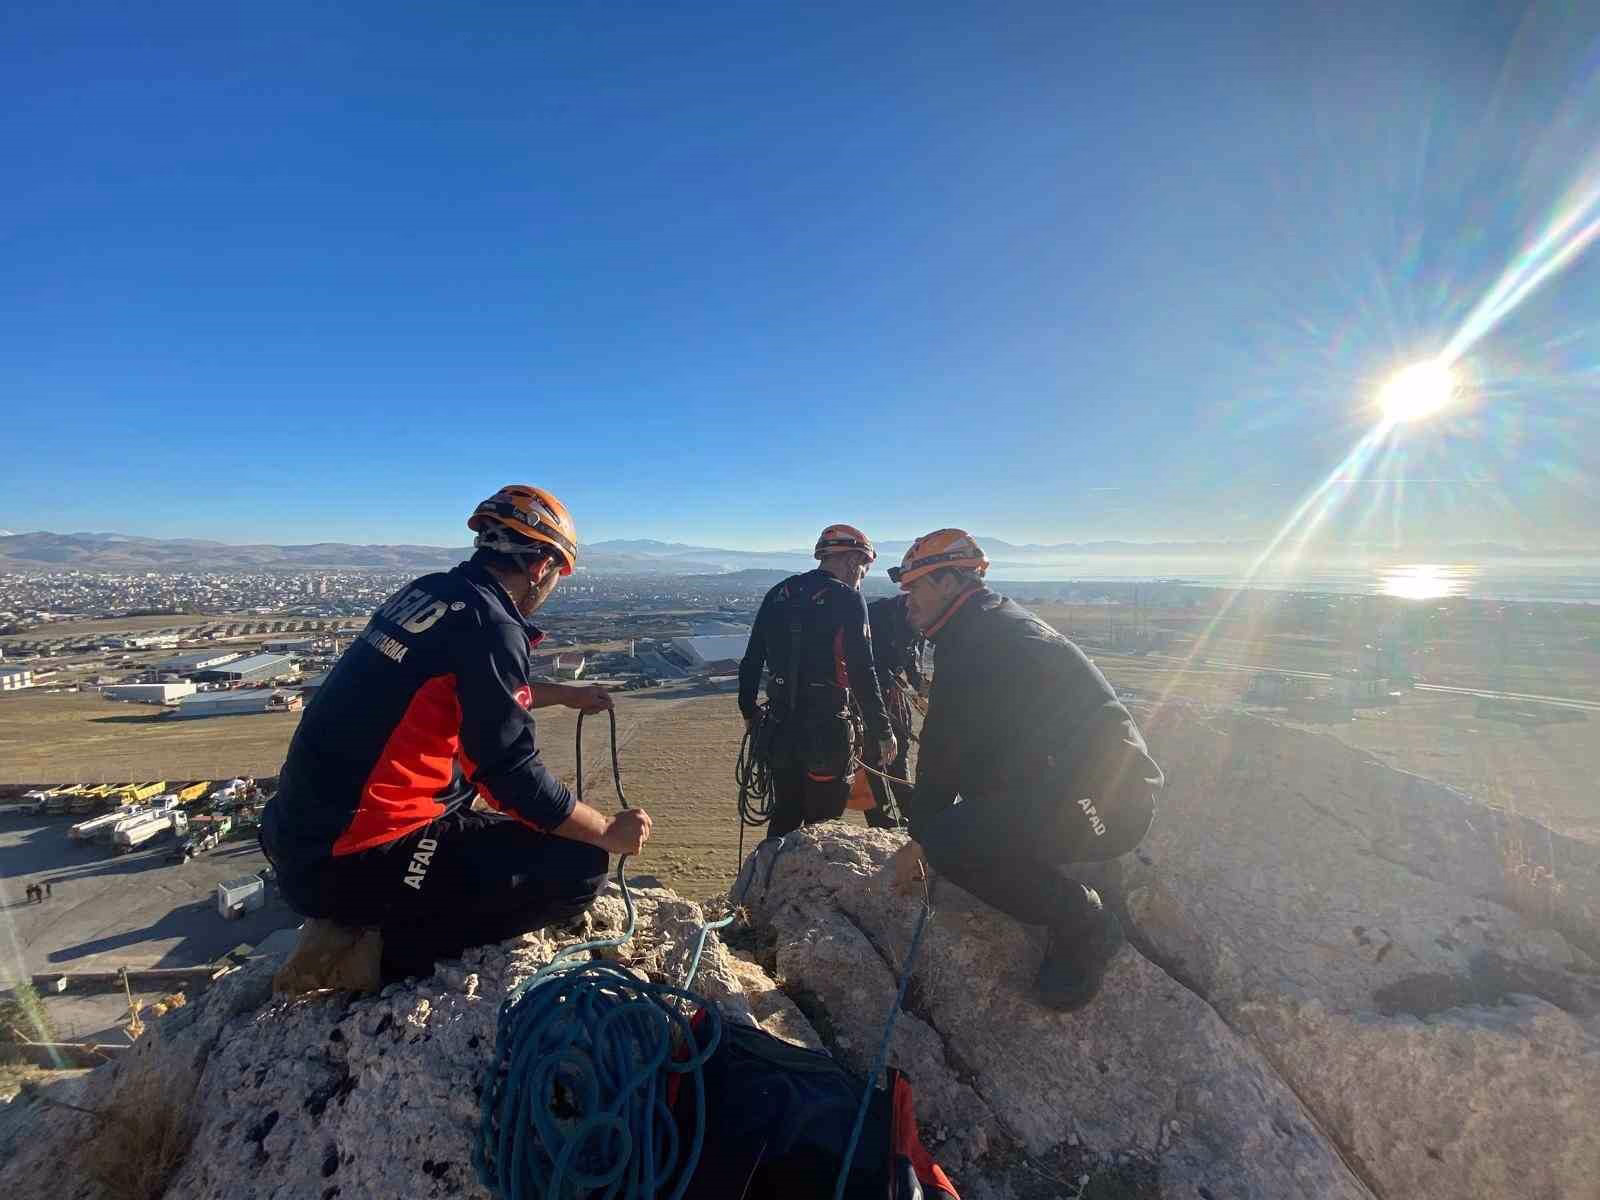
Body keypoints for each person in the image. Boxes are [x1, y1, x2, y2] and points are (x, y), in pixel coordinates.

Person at [261, 485, 653, 987]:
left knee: (465, 795)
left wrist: (558, 694)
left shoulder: (431, 593)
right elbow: (511, 777)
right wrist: (605, 831)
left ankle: (376, 903)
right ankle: (365, 956)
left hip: (300, 837)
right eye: (557, 574)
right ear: (542, 566)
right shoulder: (492, 625)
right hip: (351, 861)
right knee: (577, 865)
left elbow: (455, 690)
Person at [885, 530, 1162, 1011]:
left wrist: (923, 838)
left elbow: (943, 750)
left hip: (1108, 804)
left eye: (917, 586)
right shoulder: (987, 625)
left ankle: (1086, 923)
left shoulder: (979, 640)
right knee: (961, 824)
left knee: (951, 841)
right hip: (1085, 786)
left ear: (951, 582)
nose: (907, 599)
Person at [738, 525, 897, 837]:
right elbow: (863, 670)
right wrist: (882, 730)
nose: (861, 577)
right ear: (853, 560)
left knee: (785, 814)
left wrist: (749, 713)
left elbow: (752, 660)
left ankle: (771, 879)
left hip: (779, 727)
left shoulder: (779, 593)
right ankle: (807, 881)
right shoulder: (847, 599)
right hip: (827, 730)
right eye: (863, 569)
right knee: (822, 825)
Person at [860, 593, 925, 829]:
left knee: (900, 753)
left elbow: (912, 653)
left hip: (892, 694)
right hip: (868, 696)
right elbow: (866, 661)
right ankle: (880, 818)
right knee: (872, 755)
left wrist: (918, 682)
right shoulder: (877, 616)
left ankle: (909, 810)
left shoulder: (920, 616)